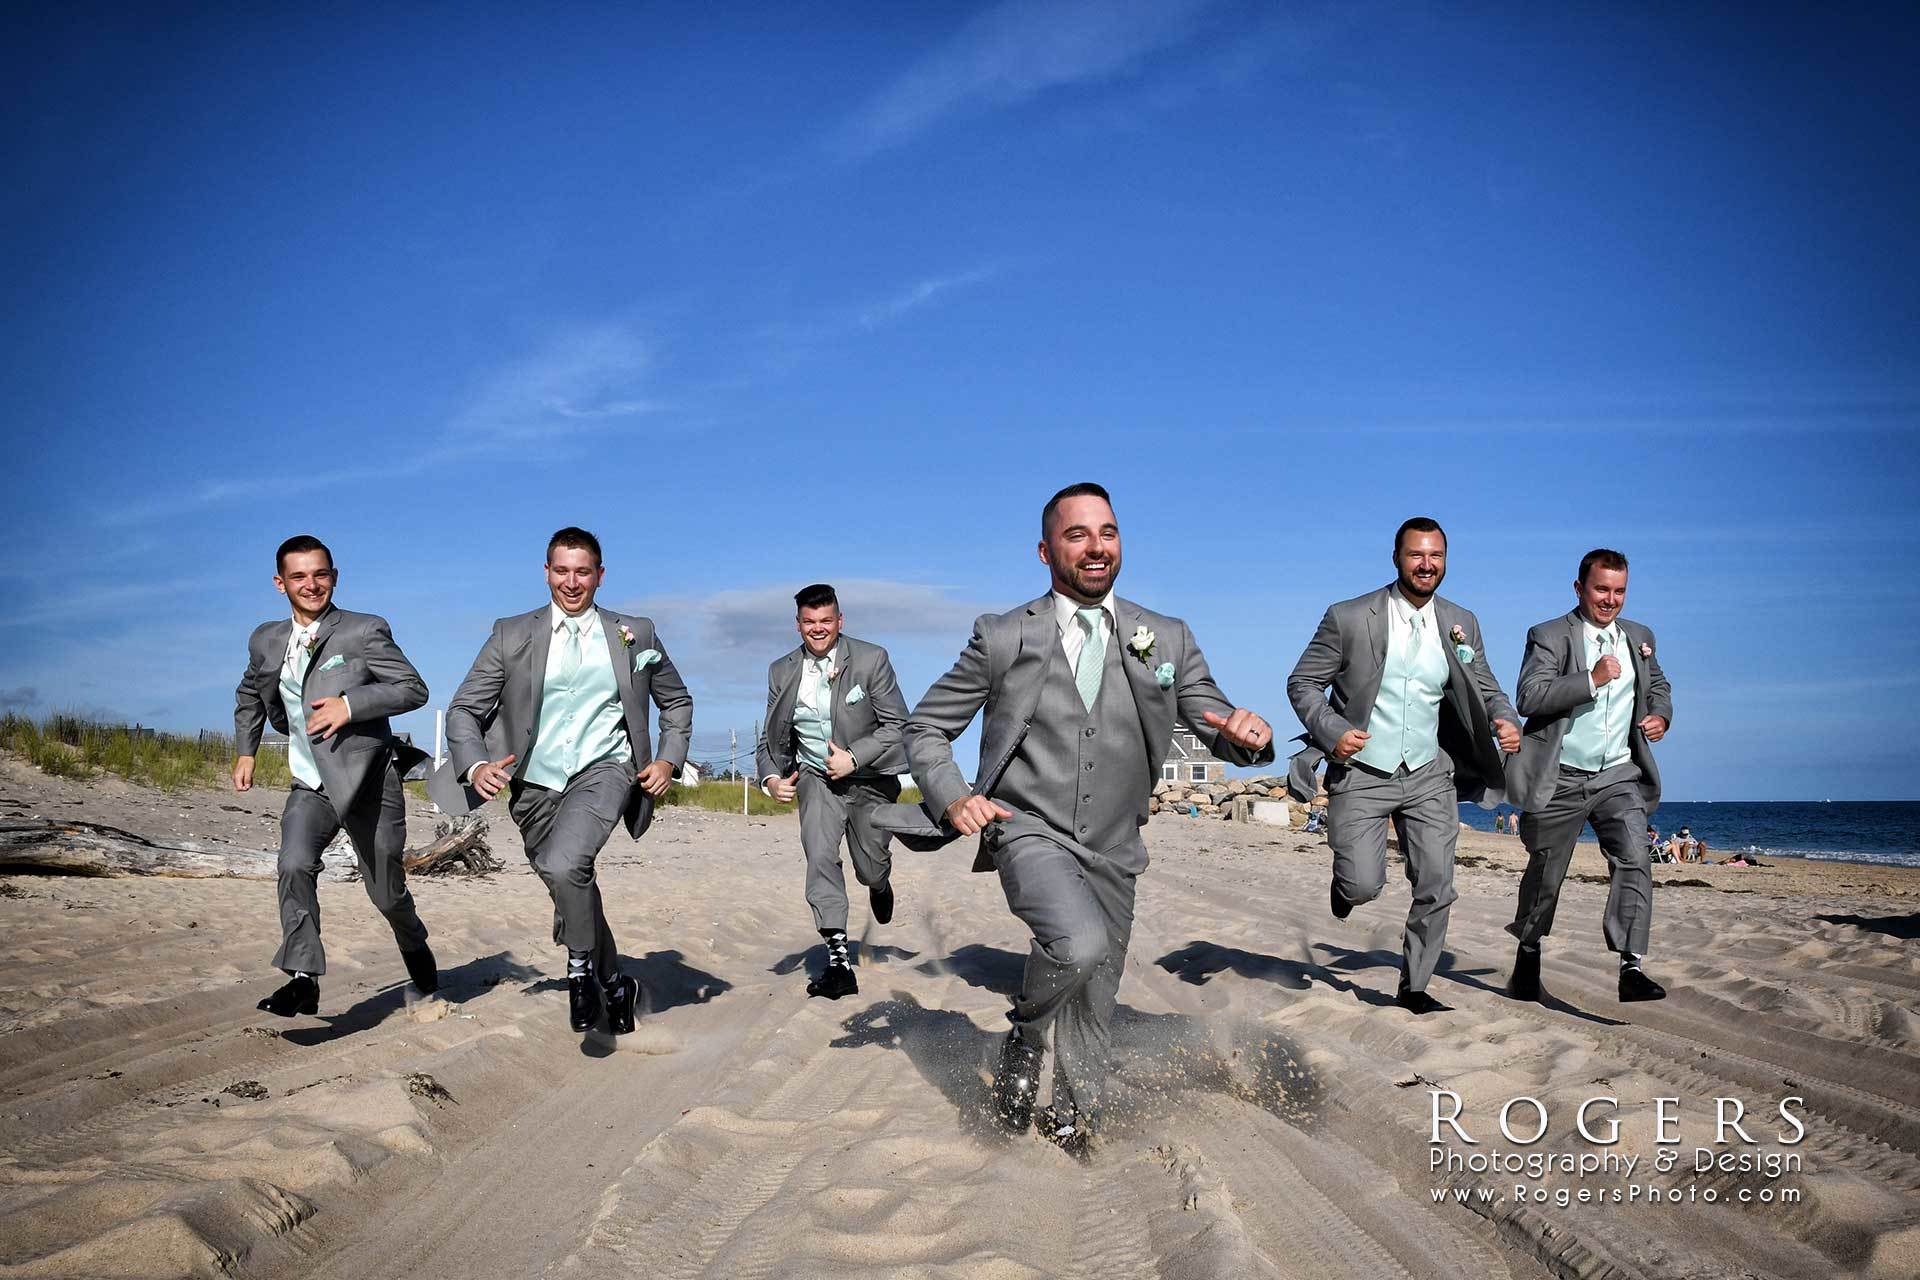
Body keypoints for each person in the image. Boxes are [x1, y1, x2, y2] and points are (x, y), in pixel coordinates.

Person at [889, 483, 1274, 1155]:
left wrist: (1247, 736)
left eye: (1108, 532)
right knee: (1077, 942)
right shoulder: (1003, 635)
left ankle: (1071, 1114)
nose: (1097, 547)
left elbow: (1213, 717)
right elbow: (925, 728)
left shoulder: (1167, 637)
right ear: (1046, 551)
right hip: (1026, 825)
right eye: (1078, 535)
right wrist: (953, 796)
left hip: (1117, 841)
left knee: (1097, 997)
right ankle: (1026, 1033)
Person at [430, 527, 692, 1035]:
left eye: (583, 572)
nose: (572, 582)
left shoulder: (635, 633)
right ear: (546, 572)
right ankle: (615, 981)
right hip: (532, 782)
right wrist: (476, 765)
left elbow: (676, 701)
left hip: (607, 767)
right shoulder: (510, 633)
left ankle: (579, 968)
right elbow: (464, 709)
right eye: (562, 571)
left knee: (565, 863)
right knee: (568, 880)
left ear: (600, 576)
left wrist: (667, 760)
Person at [1286, 517, 1520, 1014]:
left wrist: (1504, 717)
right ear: (1396, 558)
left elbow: (1487, 686)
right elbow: (1302, 683)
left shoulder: (1461, 621)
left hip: (1429, 772)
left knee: (1437, 884)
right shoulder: (1349, 616)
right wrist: (1332, 731)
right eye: (1416, 555)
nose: (1426, 565)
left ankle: (1414, 986)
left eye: (1436, 556)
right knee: (1363, 884)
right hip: (1362, 770)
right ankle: (1346, 888)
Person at [232, 535, 437, 1017]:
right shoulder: (265, 640)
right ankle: (303, 978)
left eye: (320, 574)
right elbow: (249, 693)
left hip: (370, 783)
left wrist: (351, 704)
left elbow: (413, 688)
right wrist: (246, 752)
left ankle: (413, 941)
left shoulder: (364, 630)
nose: (311, 585)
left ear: (335, 577)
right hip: (311, 784)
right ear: (280, 584)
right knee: (293, 864)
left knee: (386, 893)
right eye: (299, 576)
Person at [1504, 549, 1673, 1004]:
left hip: (1618, 773)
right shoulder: (1548, 635)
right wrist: (1591, 679)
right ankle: (1528, 951)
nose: (1610, 600)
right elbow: (1529, 696)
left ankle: (1631, 966)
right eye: (1601, 589)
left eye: (1619, 591)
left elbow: (1658, 685)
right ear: (1579, 588)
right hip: (1560, 775)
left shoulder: (1640, 636)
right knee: (1546, 875)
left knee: (1635, 857)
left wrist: (1660, 714)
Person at [756, 583, 910, 999]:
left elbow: (898, 726)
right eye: (809, 622)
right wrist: (771, 779)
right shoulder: (781, 671)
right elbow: (770, 738)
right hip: (815, 777)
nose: (818, 629)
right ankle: (839, 962)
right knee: (820, 853)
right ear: (798, 625)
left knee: (869, 865)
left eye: (826, 620)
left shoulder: (872, 659)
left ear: (840, 621)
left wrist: (854, 758)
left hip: (870, 779)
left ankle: (879, 883)